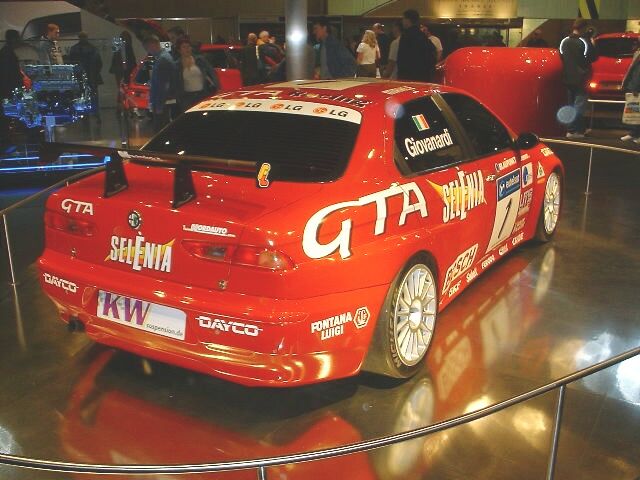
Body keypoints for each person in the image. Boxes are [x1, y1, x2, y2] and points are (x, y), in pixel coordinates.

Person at [559, 19, 595, 139]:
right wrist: (592, 43)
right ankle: (575, 130)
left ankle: (572, 129)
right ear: (583, 28)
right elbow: (591, 57)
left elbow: (561, 57)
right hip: (581, 78)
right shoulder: (583, 42)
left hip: (567, 77)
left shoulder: (564, 41)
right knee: (580, 105)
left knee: (570, 104)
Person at [144, 35, 177, 132]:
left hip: (163, 103)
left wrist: (159, 105)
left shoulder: (162, 60)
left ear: (152, 45)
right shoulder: (164, 58)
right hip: (164, 101)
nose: (148, 51)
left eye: (147, 48)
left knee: (161, 130)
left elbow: (163, 85)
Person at [175, 37, 217, 112]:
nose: (187, 49)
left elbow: (212, 74)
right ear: (179, 50)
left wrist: (217, 89)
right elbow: (175, 84)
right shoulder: (177, 65)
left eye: (188, 46)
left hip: (203, 95)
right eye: (184, 47)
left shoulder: (200, 60)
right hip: (187, 98)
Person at [69, 32, 103, 121]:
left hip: (87, 76)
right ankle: (92, 114)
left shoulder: (76, 49)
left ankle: (90, 114)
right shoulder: (91, 49)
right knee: (90, 96)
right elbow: (99, 63)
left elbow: (98, 63)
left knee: (88, 96)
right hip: (88, 76)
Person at [397, 9, 436, 82]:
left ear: (408, 20)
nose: (402, 21)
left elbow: (402, 58)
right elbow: (432, 51)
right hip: (423, 75)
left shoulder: (406, 35)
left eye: (403, 18)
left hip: (408, 76)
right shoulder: (422, 35)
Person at [0, 29, 23, 153]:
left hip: (6, 90)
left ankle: (6, 140)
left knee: (5, 116)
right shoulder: (7, 54)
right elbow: (7, 75)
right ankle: (5, 142)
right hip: (6, 91)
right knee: (5, 116)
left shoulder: (6, 52)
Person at [621, 38, 640, 143]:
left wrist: (636, 86)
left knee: (637, 111)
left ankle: (635, 134)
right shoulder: (638, 52)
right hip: (634, 85)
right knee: (634, 111)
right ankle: (634, 133)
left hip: (637, 86)